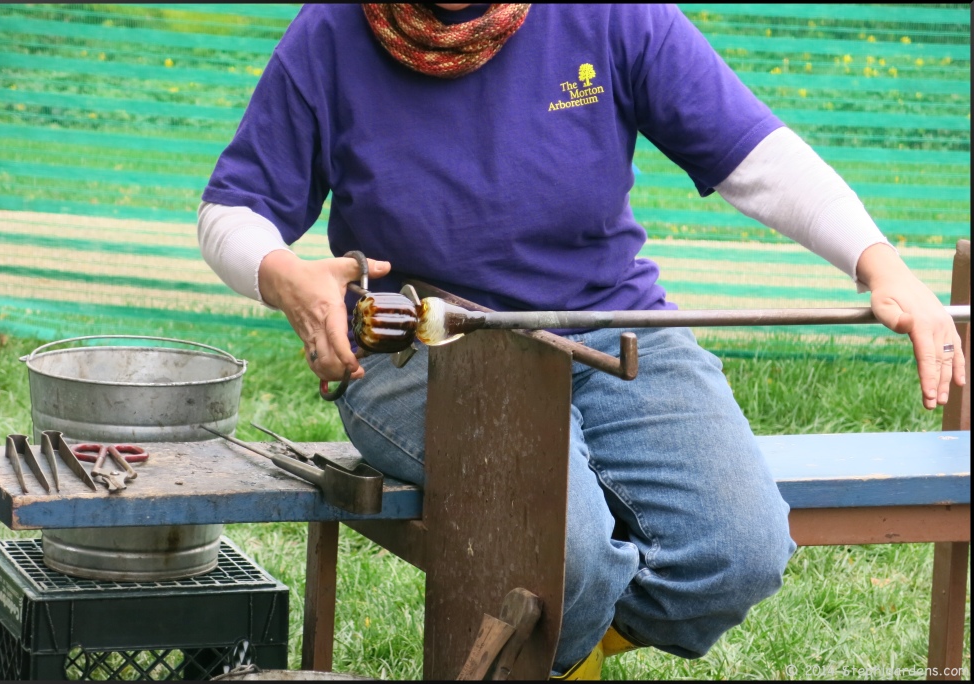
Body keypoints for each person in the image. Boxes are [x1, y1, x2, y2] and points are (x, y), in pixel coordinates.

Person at [198, 4, 965, 678]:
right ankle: (556, 652)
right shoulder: (329, 32)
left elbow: (755, 153)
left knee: (739, 554)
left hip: (616, 327)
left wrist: (880, 261)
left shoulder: (613, 14)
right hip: (422, 351)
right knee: (567, 556)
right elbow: (231, 210)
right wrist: (281, 274)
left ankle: (567, 660)